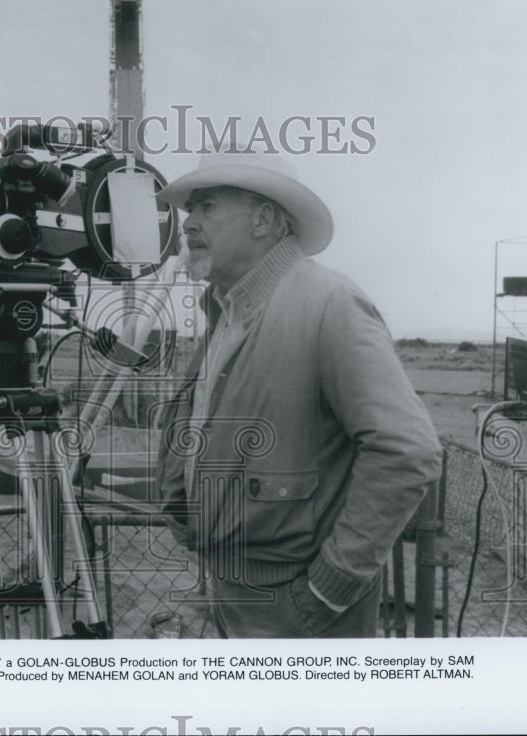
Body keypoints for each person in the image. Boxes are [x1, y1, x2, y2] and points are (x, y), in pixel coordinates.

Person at [154, 152, 442, 638]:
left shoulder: (329, 303)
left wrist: (328, 588)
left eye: (205, 207)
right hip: (234, 589)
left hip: (298, 605)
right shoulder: (228, 312)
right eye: (189, 211)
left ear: (262, 219)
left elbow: (407, 452)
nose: (189, 224)